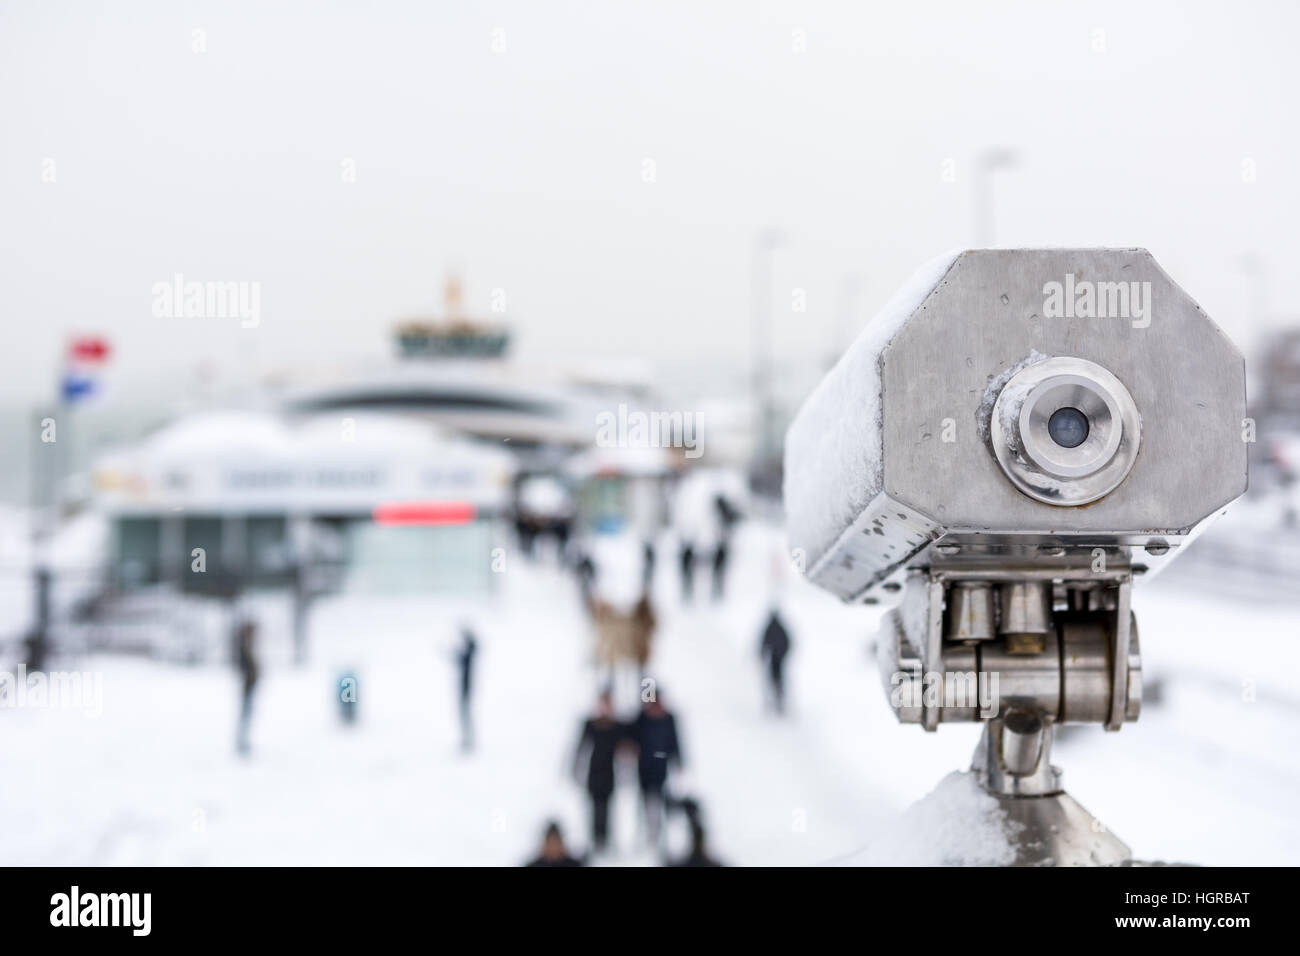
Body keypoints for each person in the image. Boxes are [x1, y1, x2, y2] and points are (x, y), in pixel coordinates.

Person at [572, 691, 630, 855]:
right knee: (594, 809)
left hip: (609, 774)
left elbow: (625, 750)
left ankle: (606, 839)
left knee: (607, 809)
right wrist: (577, 769)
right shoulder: (590, 725)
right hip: (593, 773)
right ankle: (595, 839)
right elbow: (581, 749)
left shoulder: (617, 727)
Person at [632, 693, 682, 849]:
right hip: (644, 769)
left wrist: (678, 760)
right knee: (646, 802)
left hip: (661, 770)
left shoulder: (668, 719)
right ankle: (647, 833)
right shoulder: (642, 719)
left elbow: (674, 741)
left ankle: (660, 834)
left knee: (660, 801)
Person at [758, 608, 793, 714]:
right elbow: (764, 642)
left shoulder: (775, 628)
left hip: (777, 658)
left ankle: (779, 699)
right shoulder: (777, 628)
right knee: (776, 679)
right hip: (775, 658)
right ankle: (777, 698)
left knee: (776, 679)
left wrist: (781, 654)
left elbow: (787, 643)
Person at [234, 618, 260, 756]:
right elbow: (246, 668)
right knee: (245, 714)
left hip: (250, 686)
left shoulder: (247, 647)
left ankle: (243, 740)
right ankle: (241, 741)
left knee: (247, 715)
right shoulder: (244, 649)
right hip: (247, 687)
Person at [454, 627, 478, 752]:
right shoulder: (469, 651)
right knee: (465, 715)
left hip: (466, 687)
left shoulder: (469, 652)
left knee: (465, 715)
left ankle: (468, 740)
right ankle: (467, 739)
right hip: (466, 686)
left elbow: (460, 658)